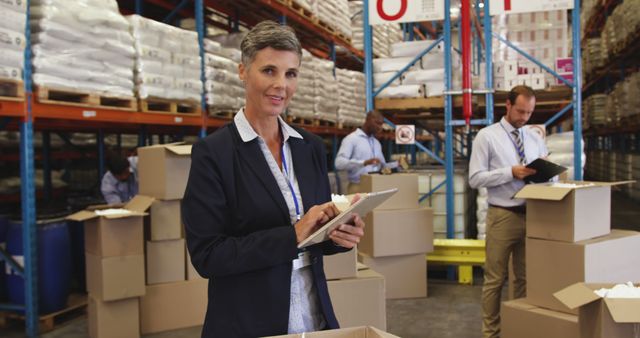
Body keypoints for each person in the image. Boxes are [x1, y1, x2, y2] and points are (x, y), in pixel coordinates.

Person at [181, 21, 366, 338]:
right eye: (269, 71)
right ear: (243, 71)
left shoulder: (309, 148)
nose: (281, 84)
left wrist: (338, 236)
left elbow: (314, 236)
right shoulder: (214, 154)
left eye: (291, 73)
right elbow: (208, 256)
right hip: (249, 323)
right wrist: (291, 235)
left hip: (312, 318)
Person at [469, 85, 550, 338]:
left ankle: (519, 329)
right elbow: (475, 178)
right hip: (503, 215)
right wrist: (509, 173)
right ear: (507, 105)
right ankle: (491, 333)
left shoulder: (534, 138)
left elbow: (544, 170)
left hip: (532, 215)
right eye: (520, 111)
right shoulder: (487, 136)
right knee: (495, 280)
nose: (524, 118)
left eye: (529, 113)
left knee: (524, 278)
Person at [334, 110, 386, 194]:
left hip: (376, 187)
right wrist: (364, 162)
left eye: (381, 124)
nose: (380, 127)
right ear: (368, 120)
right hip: (358, 187)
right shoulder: (351, 139)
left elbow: (383, 165)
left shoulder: (377, 143)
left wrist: (397, 164)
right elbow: (339, 163)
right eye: (377, 123)